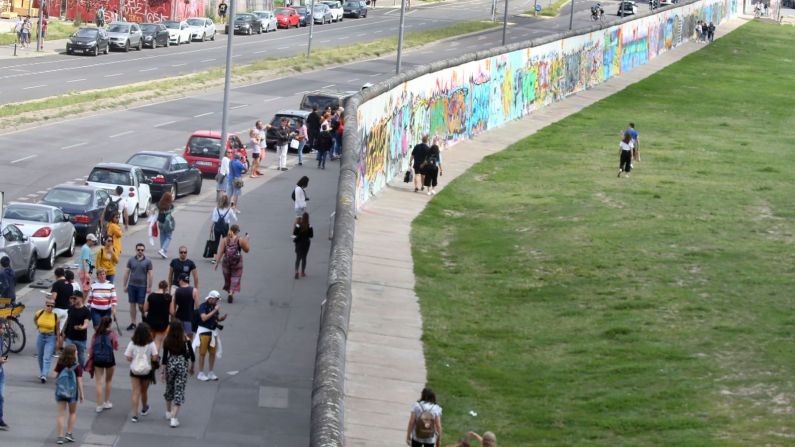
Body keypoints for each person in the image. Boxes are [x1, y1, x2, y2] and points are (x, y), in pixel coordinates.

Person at [160, 319, 195, 427]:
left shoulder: (167, 340)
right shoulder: (185, 339)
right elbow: (192, 356)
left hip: (171, 364)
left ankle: (168, 412)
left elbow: (165, 358)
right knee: (179, 391)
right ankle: (174, 418)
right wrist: (192, 367)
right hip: (182, 366)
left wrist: (163, 372)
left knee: (169, 388)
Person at [125, 323, 158, 423]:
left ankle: (134, 415)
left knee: (135, 392)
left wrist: (134, 360)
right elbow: (155, 356)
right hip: (146, 371)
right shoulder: (151, 343)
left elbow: (128, 357)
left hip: (134, 370)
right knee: (144, 391)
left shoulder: (132, 343)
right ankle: (144, 408)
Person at [192, 291, 226, 381]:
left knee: (212, 353)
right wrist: (215, 310)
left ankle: (211, 372)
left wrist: (220, 319)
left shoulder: (215, 306)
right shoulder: (203, 306)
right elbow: (204, 318)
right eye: (216, 299)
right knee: (202, 354)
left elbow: (215, 318)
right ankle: (201, 373)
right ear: (210, 298)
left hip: (213, 332)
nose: (217, 301)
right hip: (203, 332)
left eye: (217, 300)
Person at [87, 316, 118, 414]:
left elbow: (91, 347)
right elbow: (115, 346)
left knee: (98, 382)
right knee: (108, 380)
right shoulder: (112, 334)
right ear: (110, 324)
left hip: (98, 359)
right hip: (109, 359)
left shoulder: (96, 334)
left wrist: (90, 357)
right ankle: (106, 402)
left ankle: (99, 405)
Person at [54, 345, 84, 445]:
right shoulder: (77, 366)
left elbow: (54, 375)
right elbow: (79, 381)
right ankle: (69, 433)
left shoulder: (60, 363)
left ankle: (60, 436)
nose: (77, 353)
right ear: (74, 354)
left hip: (61, 391)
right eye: (76, 351)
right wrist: (81, 394)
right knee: (72, 413)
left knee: (61, 414)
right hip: (72, 393)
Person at [214, 224, 250, 304]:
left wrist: (217, 262)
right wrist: (247, 239)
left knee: (228, 278)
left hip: (226, 262)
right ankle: (231, 292)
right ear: (237, 231)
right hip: (237, 262)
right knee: (235, 277)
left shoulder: (225, 240)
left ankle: (229, 291)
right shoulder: (240, 240)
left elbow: (221, 252)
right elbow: (247, 250)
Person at [124, 243, 153, 331]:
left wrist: (149, 287)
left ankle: (144, 317)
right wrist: (125, 285)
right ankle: (133, 323)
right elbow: (127, 272)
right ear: (136, 250)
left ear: (144, 251)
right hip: (132, 285)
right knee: (132, 304)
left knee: (141, 305)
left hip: (142, 286)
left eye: (142, 250)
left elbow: (150, 274)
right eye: (138, 250)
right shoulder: (131, 260)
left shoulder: (148, 261)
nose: (140, 251)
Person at [62, 295, 91, 368]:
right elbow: (67, 320)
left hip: (81, 338)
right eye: (71, 298)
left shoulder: (86, 311)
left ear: (81, 298)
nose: (73, 300)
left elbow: (86, 323)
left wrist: (81, 328)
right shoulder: (71, 308)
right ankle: (68, 370)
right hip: (70, 336)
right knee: (68, 354)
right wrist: (63, 331)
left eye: (75, 298)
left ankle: (80, 371)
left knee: (80, 356)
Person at [34, 299, 59, 383]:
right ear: (45, 305)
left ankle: (44, 375)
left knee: (47, 357)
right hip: (41, 336)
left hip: (50, 337)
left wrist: (58, 341)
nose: (50, 307)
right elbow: (35, 319)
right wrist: (38, 326)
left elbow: (58, 330)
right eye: (48, 305)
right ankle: (42, 373)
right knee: (40, 356)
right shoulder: (40, 313)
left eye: (52, 306)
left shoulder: (55, 316)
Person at [144, 280, 171, 355]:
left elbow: (145, 309)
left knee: (149, 341)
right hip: (162, 323)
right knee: (158, 342)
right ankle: (155, 359)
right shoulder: (168, 297)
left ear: (158, 286)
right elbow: (172, 311)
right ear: (166, 288)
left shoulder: (151, 296)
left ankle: (146, 357)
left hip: (150, 322)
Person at [206, 195, 237, 261]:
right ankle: (225, 257)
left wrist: (211, 228)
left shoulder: (216, 209)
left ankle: (214, 258)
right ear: (227, 202)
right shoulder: (229, 210)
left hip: (217, 227)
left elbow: (214, 219)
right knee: (226, 242)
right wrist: (233, 209)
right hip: (225, 227)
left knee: (216, 242)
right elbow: (235, 218)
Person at [170, 275, 199, 340]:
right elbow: (197, 307)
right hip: (189, 317)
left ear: (181, 280)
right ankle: (188, 349)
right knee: (189, 337)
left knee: (179, 337)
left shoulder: (176, 291)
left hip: (179, 318)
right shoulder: (194, 290)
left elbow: (172, 311)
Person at [293, 212, 313, 279]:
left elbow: (294, 233)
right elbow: (311, 235)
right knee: (304, 257)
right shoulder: (309, 225)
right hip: (306, 243)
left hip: (299, 243)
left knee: (298, 258)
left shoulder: (298, 225)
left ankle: (296, 271)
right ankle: (302, 272)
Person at [156, 192, 176, 259]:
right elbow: (172, 213)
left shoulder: (159, 204)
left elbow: (156, 208)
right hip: (167, 223)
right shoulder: (170, 206)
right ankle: (162, 250)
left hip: (160, 223)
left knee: (162, 237)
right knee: (168, 237)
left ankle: (163, 252)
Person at [0, 317, 7, 431]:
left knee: (1, 397)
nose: (4, 330)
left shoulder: (1, 339)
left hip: (0, 371)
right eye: (3, 328)